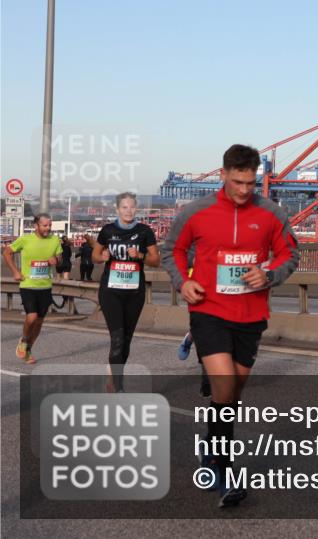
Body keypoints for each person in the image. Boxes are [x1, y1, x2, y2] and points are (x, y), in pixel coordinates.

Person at [162, 144, 300, 508]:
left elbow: (289, 253)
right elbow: (171, 250)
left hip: (251, 314)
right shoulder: (197, 211)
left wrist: (268, 273)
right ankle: (225, 472)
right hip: (208, 309)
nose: (243, 190)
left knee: (232, 395)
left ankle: (211, 441)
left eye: (250, 183)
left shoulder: (270, 213)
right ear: (222, 174)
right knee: (224, 386)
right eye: (237, 181)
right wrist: (182, 282)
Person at [86, 192, 160, 392]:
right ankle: (118, 387)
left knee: (126, 339)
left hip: (134, 293)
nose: (128, 210)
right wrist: (102, 257)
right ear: (117, 209)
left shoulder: (144, 231)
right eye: (124, 207)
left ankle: (114, 376)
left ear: (136, 209)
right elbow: (94, 256)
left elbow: (156, 260)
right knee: (117, 338)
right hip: (111, 292)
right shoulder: (108, 231)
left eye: (132, 207)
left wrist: (141, 255)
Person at [3, 214, 62, 364]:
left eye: (50, 225)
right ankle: (23, 340)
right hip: (28, 285)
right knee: (32, 317)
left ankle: (28, 349)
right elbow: (7, 252)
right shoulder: (25, 239)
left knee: (40, 321)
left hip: (45, 286)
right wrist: (16, 271)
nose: (48, 228)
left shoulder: (54, 240)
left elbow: (60, 259)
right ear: (36, 226)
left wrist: (55, 260)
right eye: (45, 225)